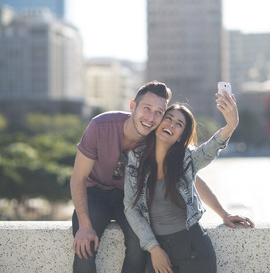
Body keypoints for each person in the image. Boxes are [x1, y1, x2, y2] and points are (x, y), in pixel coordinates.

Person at [70, 80, 253, 273]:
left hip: (145, 210)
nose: (151, 117)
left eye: (159, 113)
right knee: (84, 247)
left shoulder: (158, 137)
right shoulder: (103, 127)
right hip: (97, 195)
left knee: (138, 248)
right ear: (132, 106)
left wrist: (223, 213)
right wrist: (84, 225)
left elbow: (193, 175)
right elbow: (78, 178)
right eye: (147, 109)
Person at [124, 89, 240, 273]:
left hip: (193, 247)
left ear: (181, 136)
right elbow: (131, 208)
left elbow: (209, 150)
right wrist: (154, 248)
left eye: (179, 124)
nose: (171, 124)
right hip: (157, 249)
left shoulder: (187, 160)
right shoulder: (136, 159)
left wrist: (231, 125)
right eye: (168, 118)